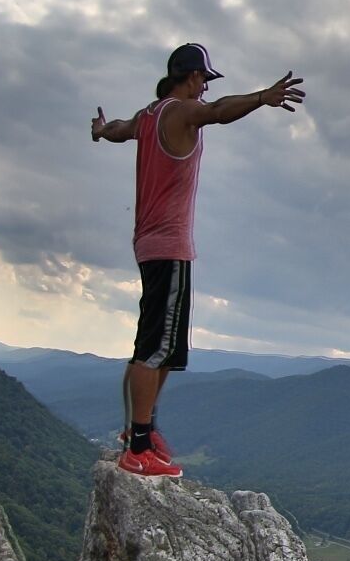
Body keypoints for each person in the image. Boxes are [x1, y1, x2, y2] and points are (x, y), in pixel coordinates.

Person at [90, 44, 305, 476]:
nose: (206, 88)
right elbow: (219, 111)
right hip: (166, 245)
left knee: (164, 348)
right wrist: (263, 97)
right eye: (204, 79)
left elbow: (117, 129)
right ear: (189, 78)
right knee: (153, 349)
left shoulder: (148, 116)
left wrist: (99, 129)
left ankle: (143, 431)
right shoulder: (179, 112)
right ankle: (136, 447)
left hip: (154, 244)